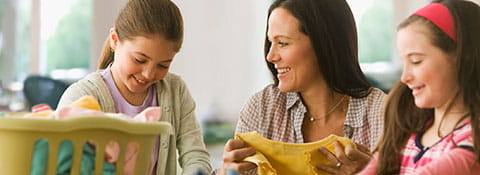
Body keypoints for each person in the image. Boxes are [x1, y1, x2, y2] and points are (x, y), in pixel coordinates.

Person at [218, 0, 385, 174]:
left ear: (324, 43)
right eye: (270, 42)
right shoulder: (262, 107)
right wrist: (226, 171)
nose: (270, 56)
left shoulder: (382, 114)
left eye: (282, 43)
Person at [57, 0, 211, 174]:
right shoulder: (82, 96)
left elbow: (195, 155)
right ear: (115, 40)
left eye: (163, 65)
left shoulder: (176, 91)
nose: (149, 74)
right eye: (140, 60)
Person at [358, 0, 480, 174]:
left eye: (416, 61)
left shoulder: (472, 144)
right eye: (404, 62)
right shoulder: (408, 135)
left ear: (460, 57)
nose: (404, 78)